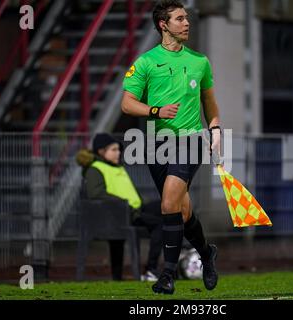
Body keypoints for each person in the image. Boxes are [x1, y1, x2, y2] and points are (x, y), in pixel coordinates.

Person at [121, 0, 222, 294]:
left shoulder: (200, 61)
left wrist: (215, 128)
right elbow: (126, 104)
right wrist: (155, 111)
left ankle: (166, 274)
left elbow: (210, 104)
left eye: (187, 18)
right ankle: (206, 254)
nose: (187, 23)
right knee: (183, 211)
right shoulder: (145, 62)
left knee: (168, 205)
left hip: (190, 141)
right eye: (180, 19)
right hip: (156, 144)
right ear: (164, 25)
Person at [76, 133, 163, 281]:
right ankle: (151, 270)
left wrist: (143, 202)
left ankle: (177, 260)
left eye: (118, 149)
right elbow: (96, 194)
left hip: (134, 211)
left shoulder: (117, 167)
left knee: (167, 209)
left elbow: (129, 192)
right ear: (101, 152)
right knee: (160, 225)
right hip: (119, 217)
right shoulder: (95, 169)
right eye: (114, 149)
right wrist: (125, 205)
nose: (118, 152)